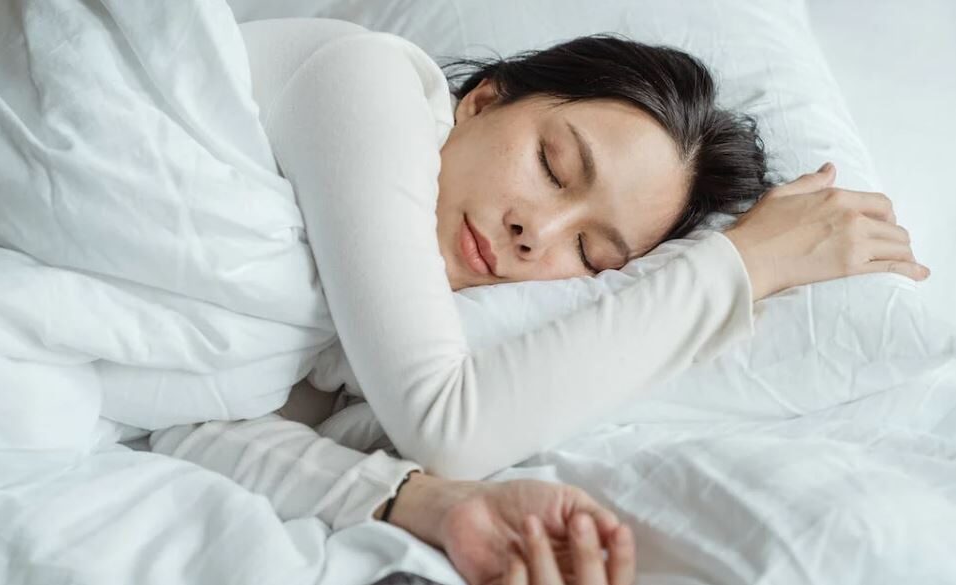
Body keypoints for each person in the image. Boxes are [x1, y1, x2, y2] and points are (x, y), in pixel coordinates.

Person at [150, 17, 927, 585]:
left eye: (590, 254)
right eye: (554, 166)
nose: (535, 230)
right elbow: (447, 422)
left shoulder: (332, 328)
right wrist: (741, 266)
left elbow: (184, 429)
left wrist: (431, 506)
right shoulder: (365, 79)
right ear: (482, 102)